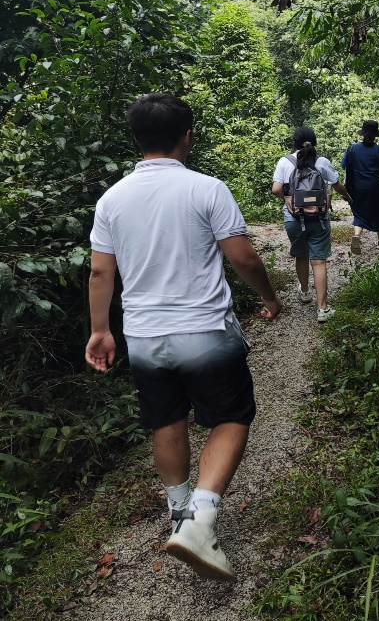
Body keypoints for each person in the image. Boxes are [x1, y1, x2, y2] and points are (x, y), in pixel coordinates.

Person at [85, 92, 282, 583]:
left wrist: (100, 330)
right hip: (204, 331)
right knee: (232, 415)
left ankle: (177, 511)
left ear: (137, 139)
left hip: (146, 336)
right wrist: (270, 298)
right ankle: (201, 517)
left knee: (165, 419)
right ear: (187, 136)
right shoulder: (206, 188)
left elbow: (99, 271)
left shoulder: (112, 199)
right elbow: (244, 259)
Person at [272, 126, 352, 322]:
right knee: (319, 261)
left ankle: (305, 292)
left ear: (294, 142)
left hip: (294, 217)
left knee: (301, 254)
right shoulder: (322, 162)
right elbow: (337, 185)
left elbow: (275, 189)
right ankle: (322, 309)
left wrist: (289, 200)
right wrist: (348, 197)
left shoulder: (285, 162)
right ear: (314, 141)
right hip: (319, 217)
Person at [342, 120, 379, 255]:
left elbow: (347, 169)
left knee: (358, 212)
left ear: (363, 133)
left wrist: (345, 187)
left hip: (357, 187)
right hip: (375, 186)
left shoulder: (352, 149)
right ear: (375, 135)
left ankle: (357, 236)